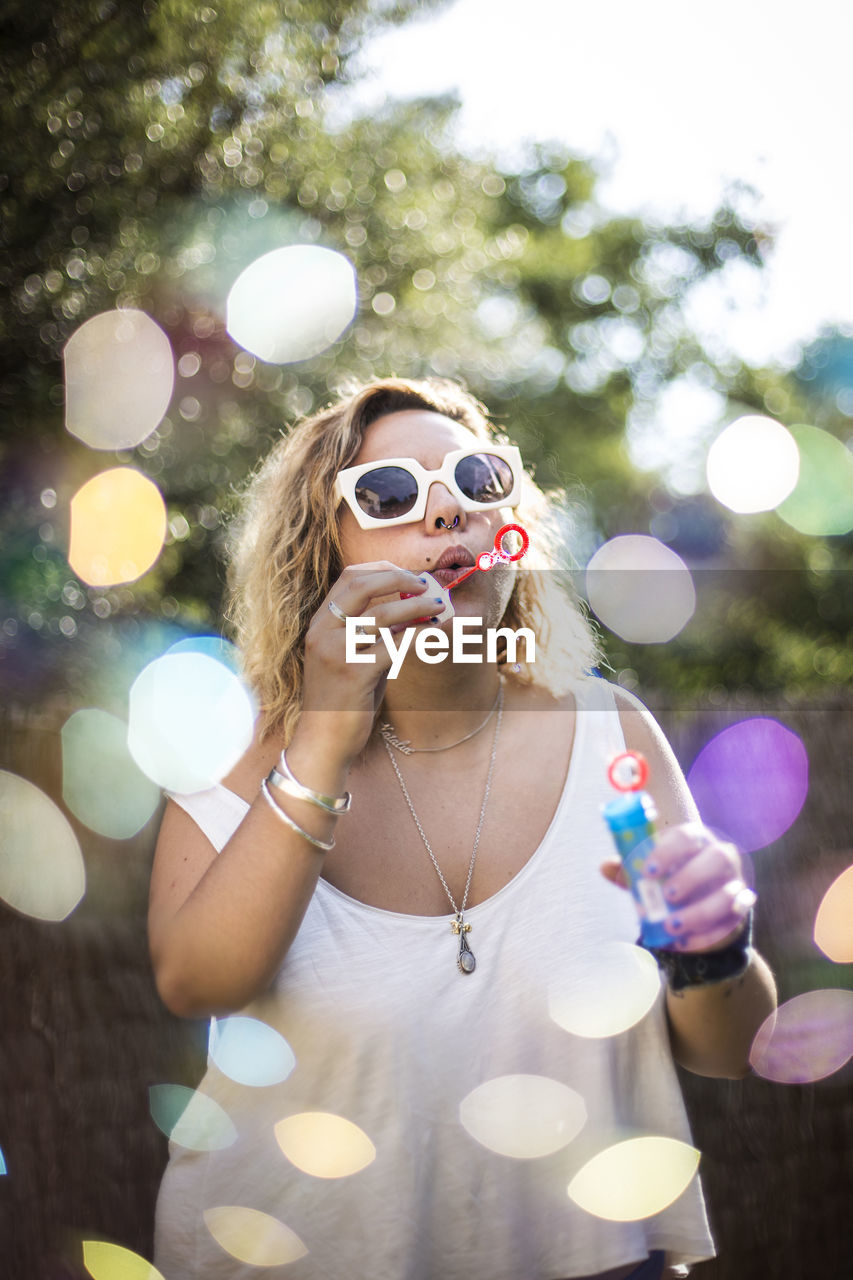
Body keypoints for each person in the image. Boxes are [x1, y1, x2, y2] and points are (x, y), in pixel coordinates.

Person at [149, 376, 777, 1280]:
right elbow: (196, 981)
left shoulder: (607, 731)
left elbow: (727, 1050)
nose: (446, 513)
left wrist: (714, 948)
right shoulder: (231, 760)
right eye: (392, 493)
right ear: (320, 548)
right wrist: (323, 735)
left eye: (479, 481)